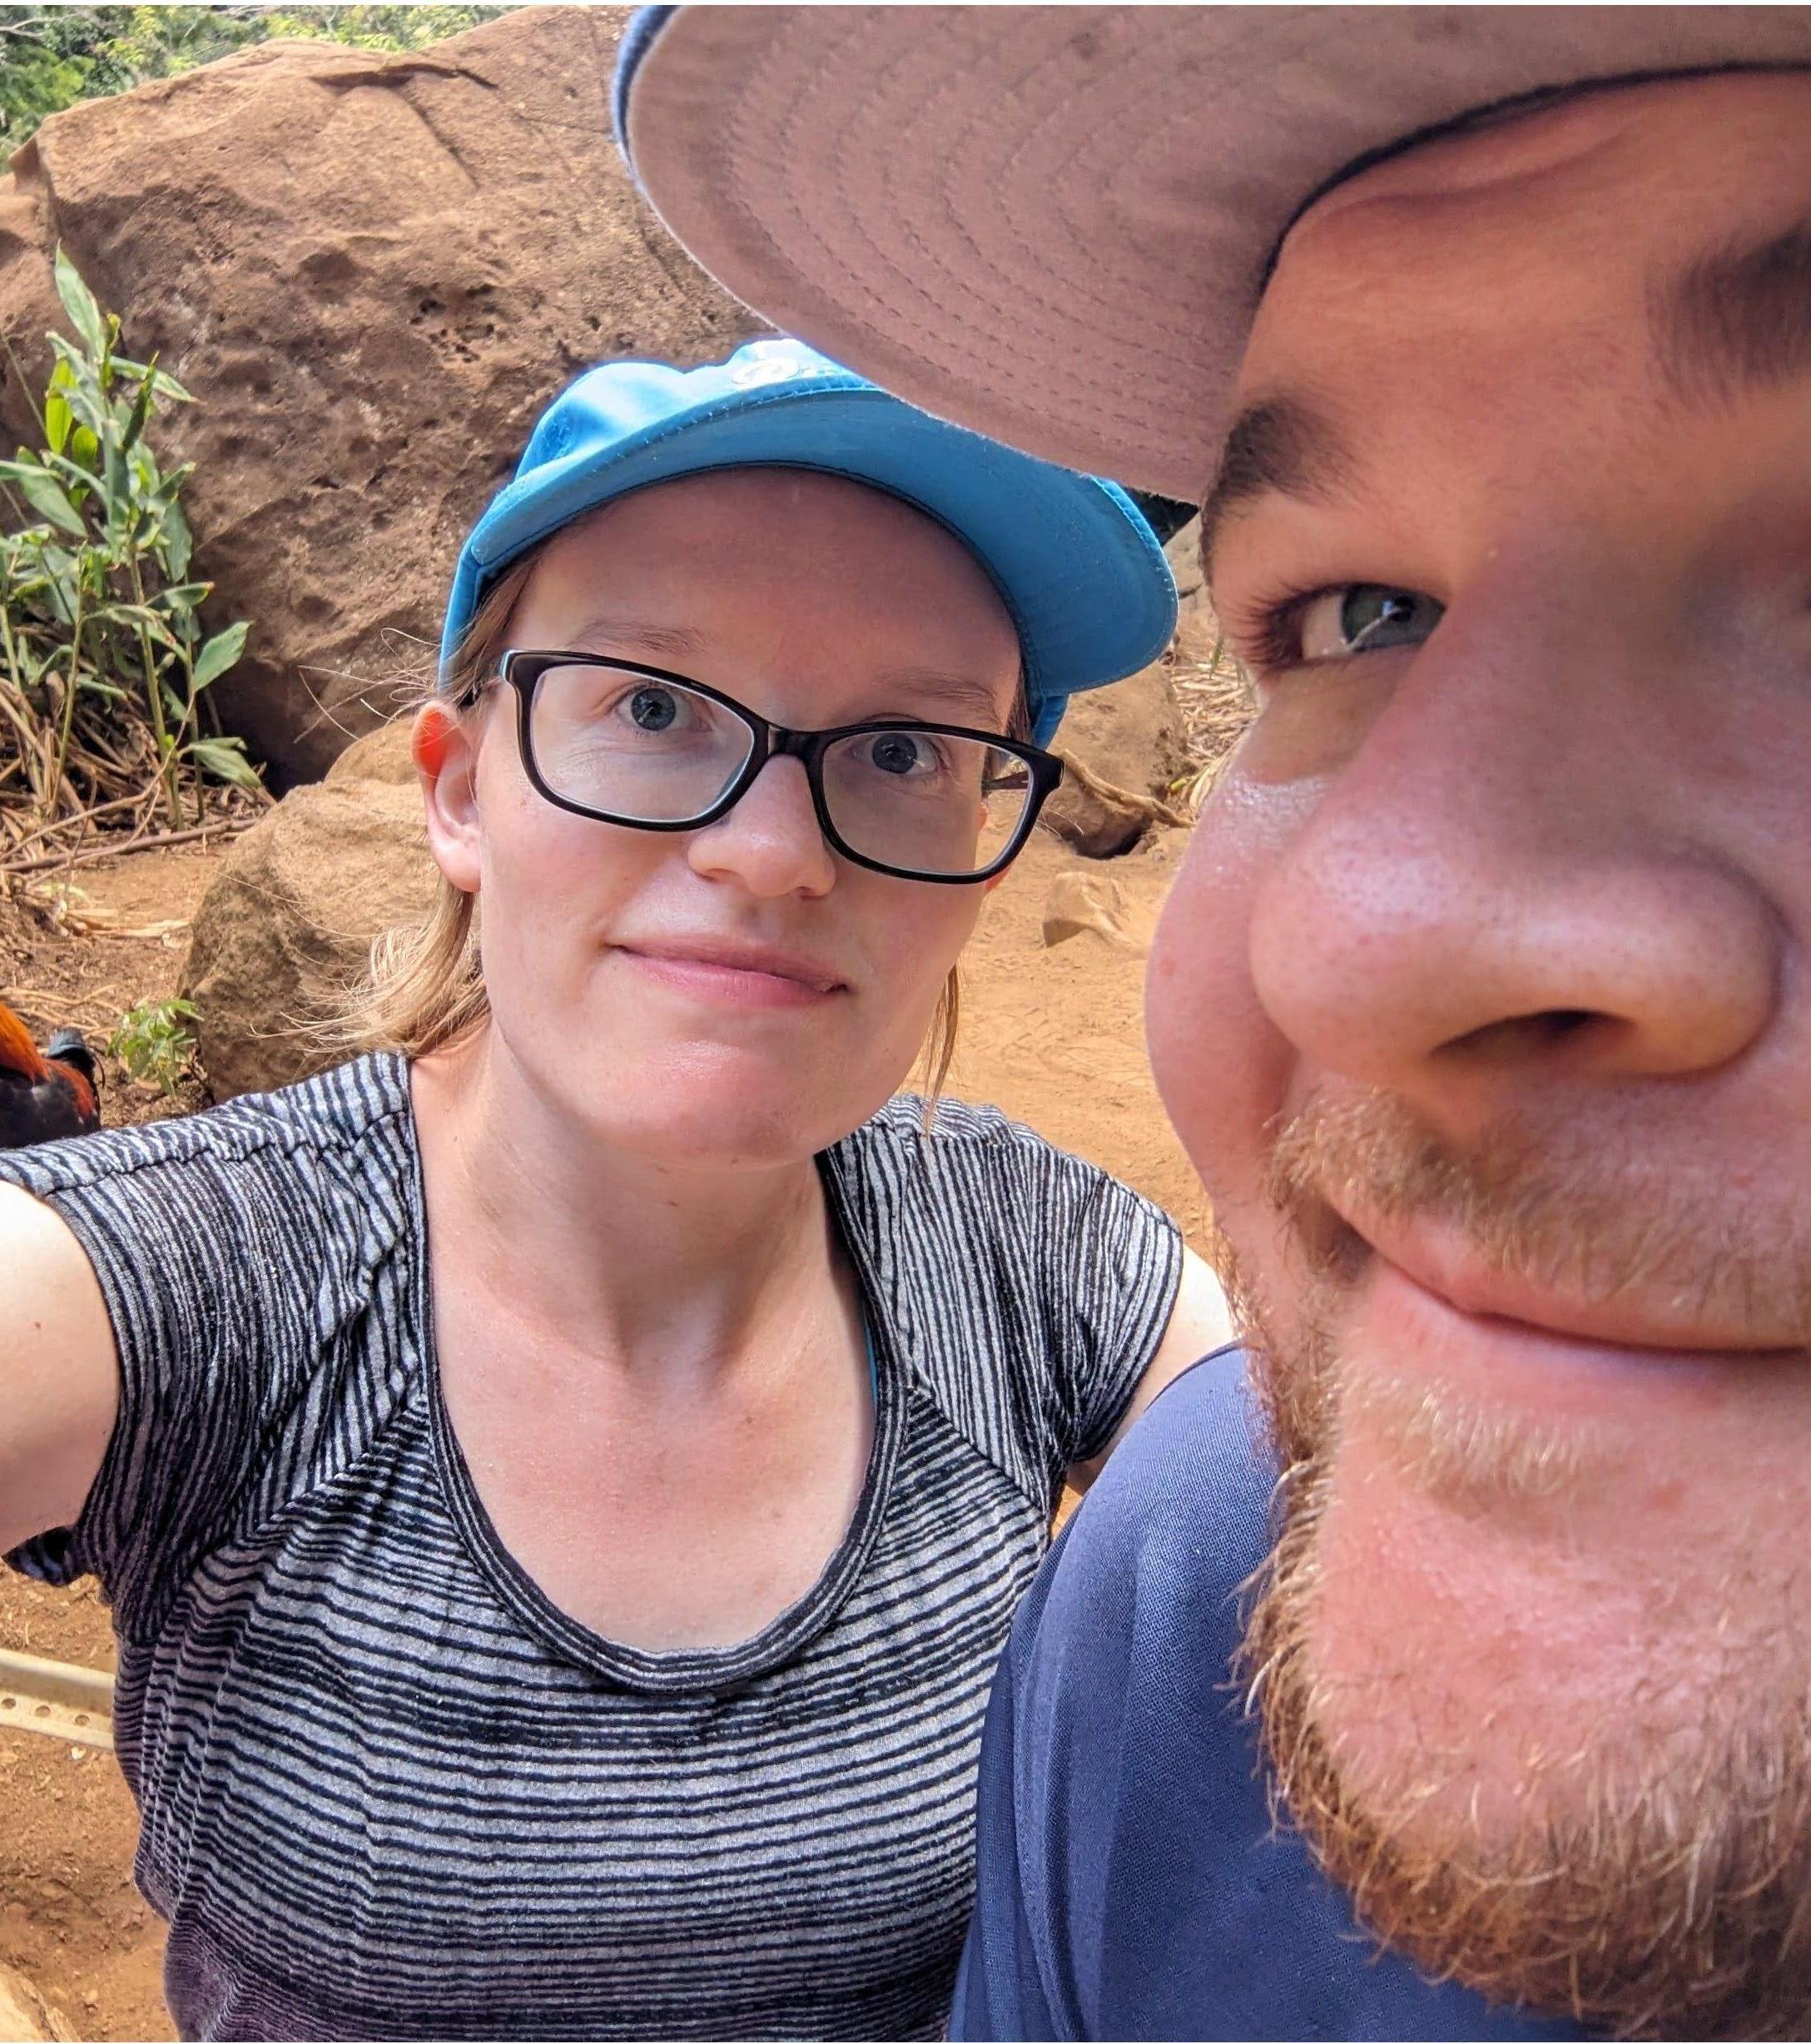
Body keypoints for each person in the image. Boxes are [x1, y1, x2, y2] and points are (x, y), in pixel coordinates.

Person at [0, 336, 1233, 2041]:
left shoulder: (1038, 1261)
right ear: (462, 787)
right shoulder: (217, 1282)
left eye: (903, 747)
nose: (773, 849)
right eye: (655, 708)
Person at [616, 11, 1811, 2040]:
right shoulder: (1201, 1599)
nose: (1352, 945)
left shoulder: (1060, 1300)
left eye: (898, 746)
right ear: (447, 778)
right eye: (1361, 612)